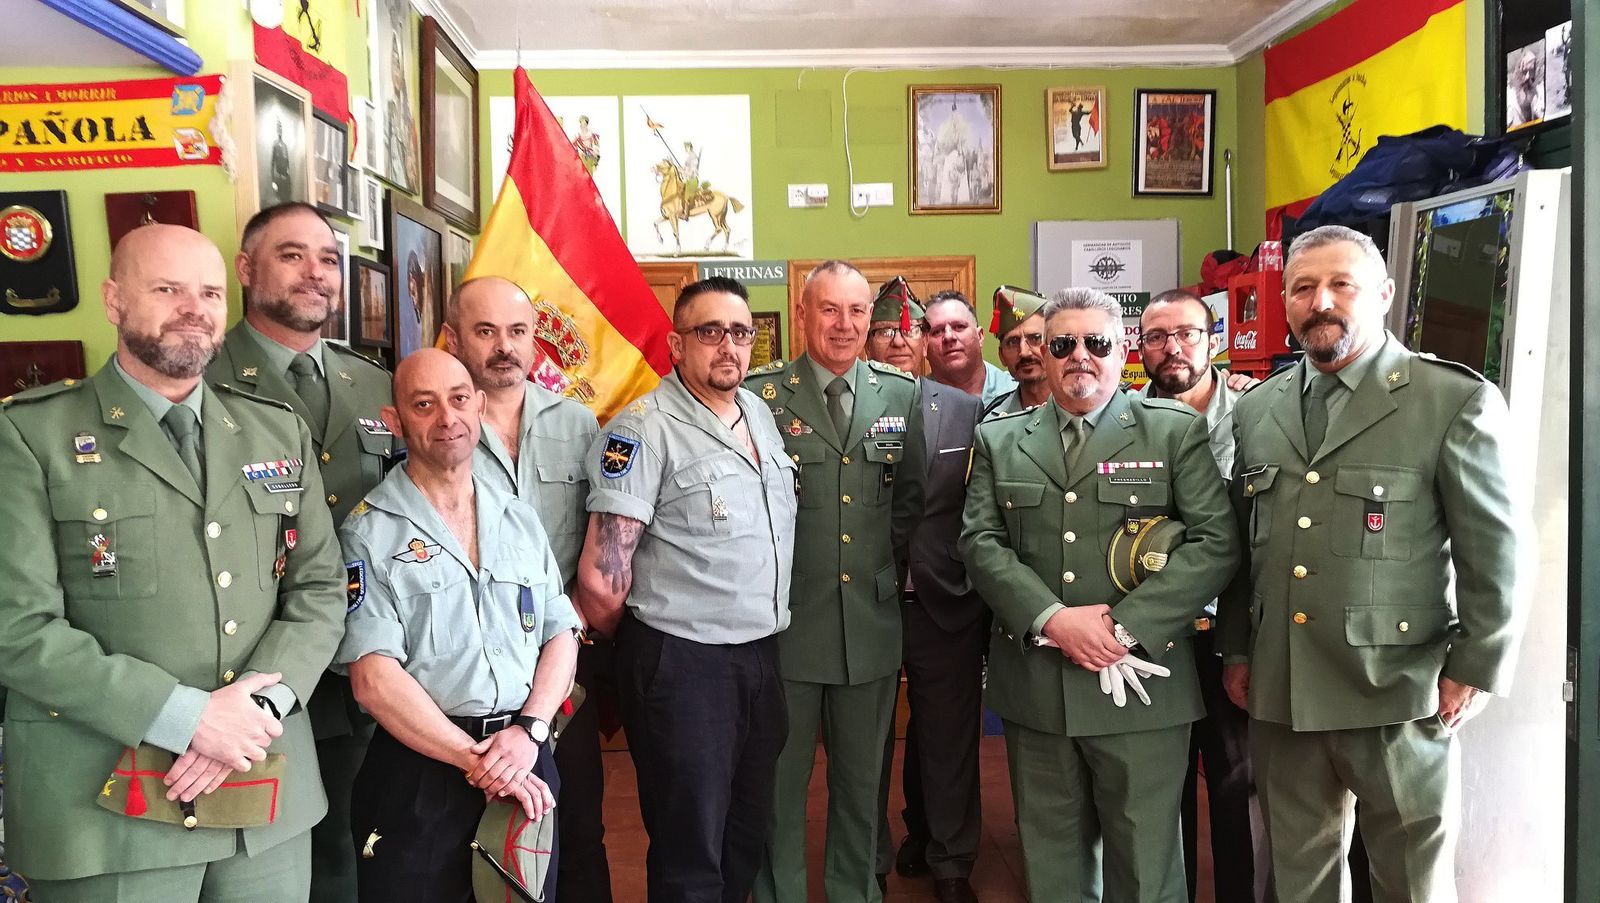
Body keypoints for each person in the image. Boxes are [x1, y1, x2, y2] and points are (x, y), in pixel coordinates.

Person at [0, 224, 346, 901]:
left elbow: (320, 588)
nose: (194, 307)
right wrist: (188, 717)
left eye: (210, 292)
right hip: (104, 804)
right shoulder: (29, 435)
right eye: (167, 288)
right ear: (113, 300)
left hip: (263, 786)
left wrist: (258, 711)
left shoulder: (276, 428)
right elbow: (18, 629)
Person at [1218, 225, 1528, 903]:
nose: (1319, 300)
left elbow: (1497, 551)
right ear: (1287, 301)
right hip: (1285, 686)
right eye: (1302, 287)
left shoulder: (1449, 400)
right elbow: (1247, 545)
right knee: (1299, 878)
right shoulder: (1259, 408)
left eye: (1340, 284)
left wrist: (1472, 668)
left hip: (1397, 687)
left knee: (1411, 878)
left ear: (1383, 295)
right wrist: (1238, 648)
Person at [960, 287, 1239, 903]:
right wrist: (1053, 619)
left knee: (1146, 864)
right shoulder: (1001, 437)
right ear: (1044, 354)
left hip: (1142, 688)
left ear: (1123, 353)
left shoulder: (1172, 432)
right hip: (1038, 683)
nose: (1079, 356)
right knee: (1053, 860)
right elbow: (979, 542)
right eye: (1062, 344)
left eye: (1097, 343)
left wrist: (1123, 627)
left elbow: (1216, 543)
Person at [576, 276, 796, 902]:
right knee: (689, 848)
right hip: (684, 662)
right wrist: (654, 652)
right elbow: (600, 581)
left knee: (743, 839)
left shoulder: (756, 412)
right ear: (676, 344)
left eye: (740, 332)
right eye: (709, 332)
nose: (728, 346)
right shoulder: (643, 429)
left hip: (759, 656)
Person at [334, 349, 581, 901]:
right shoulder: (368, 533)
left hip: (525, 754)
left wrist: (531, 731)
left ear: (480, 406)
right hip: (423, 772)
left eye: (458, 399)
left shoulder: (517, 515)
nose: (447, 417)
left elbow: (561, 634)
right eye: (424, 405)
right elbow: (373, 678)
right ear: (395, 421)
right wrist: (481, 762)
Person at [206, 201, 397, 903]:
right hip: (252, 667)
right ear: (246, 268)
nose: (315, 272)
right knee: (273, 864)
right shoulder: (200, 374)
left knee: (365, 847)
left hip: (367, 669)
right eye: (292, 255)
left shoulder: (376, 385)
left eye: (327, 258)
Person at [746, 260, 925, 903]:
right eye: (830, 310)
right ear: (803, 314)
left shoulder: (902, 397)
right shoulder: (761, 397)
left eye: (857, 312)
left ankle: (857, 892)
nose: (845, 326)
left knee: (862, 780)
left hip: (870, 627)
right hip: (789, 624)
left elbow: (909, 505)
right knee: (780, 783)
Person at [443, 275, 611, 903]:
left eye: (517, 332)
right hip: (467, 667)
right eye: (485, 331)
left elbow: (600, 535)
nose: (504, 347)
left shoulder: (577, 422)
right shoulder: (436, 427)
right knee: (480, 828)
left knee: (578, 821)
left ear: (536, 341)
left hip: (566, 657)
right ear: (455, 338)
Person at [1137, 289, 1266, 903]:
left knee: (1236, 781)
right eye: (1157, 336)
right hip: (1155, 632)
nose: (1172, 347)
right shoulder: (1122, 421)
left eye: (1185, 333)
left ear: (1211, 340)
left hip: (1230, 633)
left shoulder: (1256, 415)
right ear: (1140, 348)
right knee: (1164, 787)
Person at [866, 280, 986, 903]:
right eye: (879, 332)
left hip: (945, 599)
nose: (894, 343)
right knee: (868, 743)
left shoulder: (965, 412)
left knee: (947, 739)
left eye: (902, 332)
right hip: (866, 601)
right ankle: (868, 861)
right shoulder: (846, 408)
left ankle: (951, 862)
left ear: (920, 342)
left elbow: (981, 508)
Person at [924, 290, 1016, 407]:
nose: (949, 336)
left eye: (959, 327)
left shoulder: (1017, 391)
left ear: (980, 336)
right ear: (924, 345)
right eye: (937, 331)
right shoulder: (915, 403)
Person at [983, 285, 1050, 417]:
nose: (1024, 352)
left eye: (1035, 338)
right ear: (1001, 355)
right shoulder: (993, 423)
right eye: (1012, 342)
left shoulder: (1082, 405)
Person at [864, 277, 928, 375]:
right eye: (885, 332)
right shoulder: (851, 390)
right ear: (867, 346)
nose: (898, 342)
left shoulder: (945, 391)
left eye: (909, 330)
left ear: (924, 343)